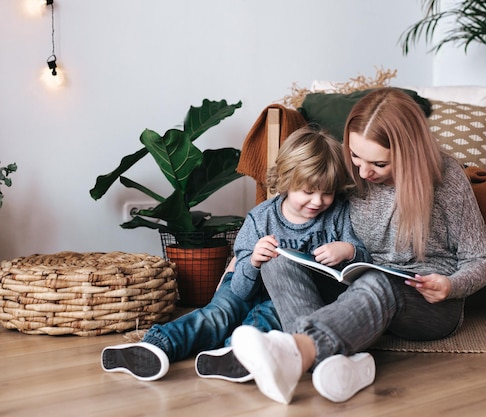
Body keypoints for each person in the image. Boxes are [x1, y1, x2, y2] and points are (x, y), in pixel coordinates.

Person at [230, 87, 486, 404]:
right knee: (278, 260)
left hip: (427, 303)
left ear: (410, 153)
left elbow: (481, 260)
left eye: (379, 164)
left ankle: (298, 351)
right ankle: (338, 366)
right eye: (355, 156)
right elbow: (304, 197)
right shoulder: (350, 167)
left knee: (380, 280)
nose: (362, 172)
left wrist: (450, 285)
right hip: (354, 283)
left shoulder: (447, 177)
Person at [100, 125, 371, 383]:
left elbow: (362, 263)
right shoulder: (260, 219)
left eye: (327, 193)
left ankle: (235, 356)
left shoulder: (338, 215)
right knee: (218, 314)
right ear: (287, 181)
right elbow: (240, 289)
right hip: (245, 284)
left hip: (290, 298)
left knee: (269, 318)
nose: (317, 201)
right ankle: (156, 346)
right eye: (308, 191)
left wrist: (348, 249)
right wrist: (253, 261)